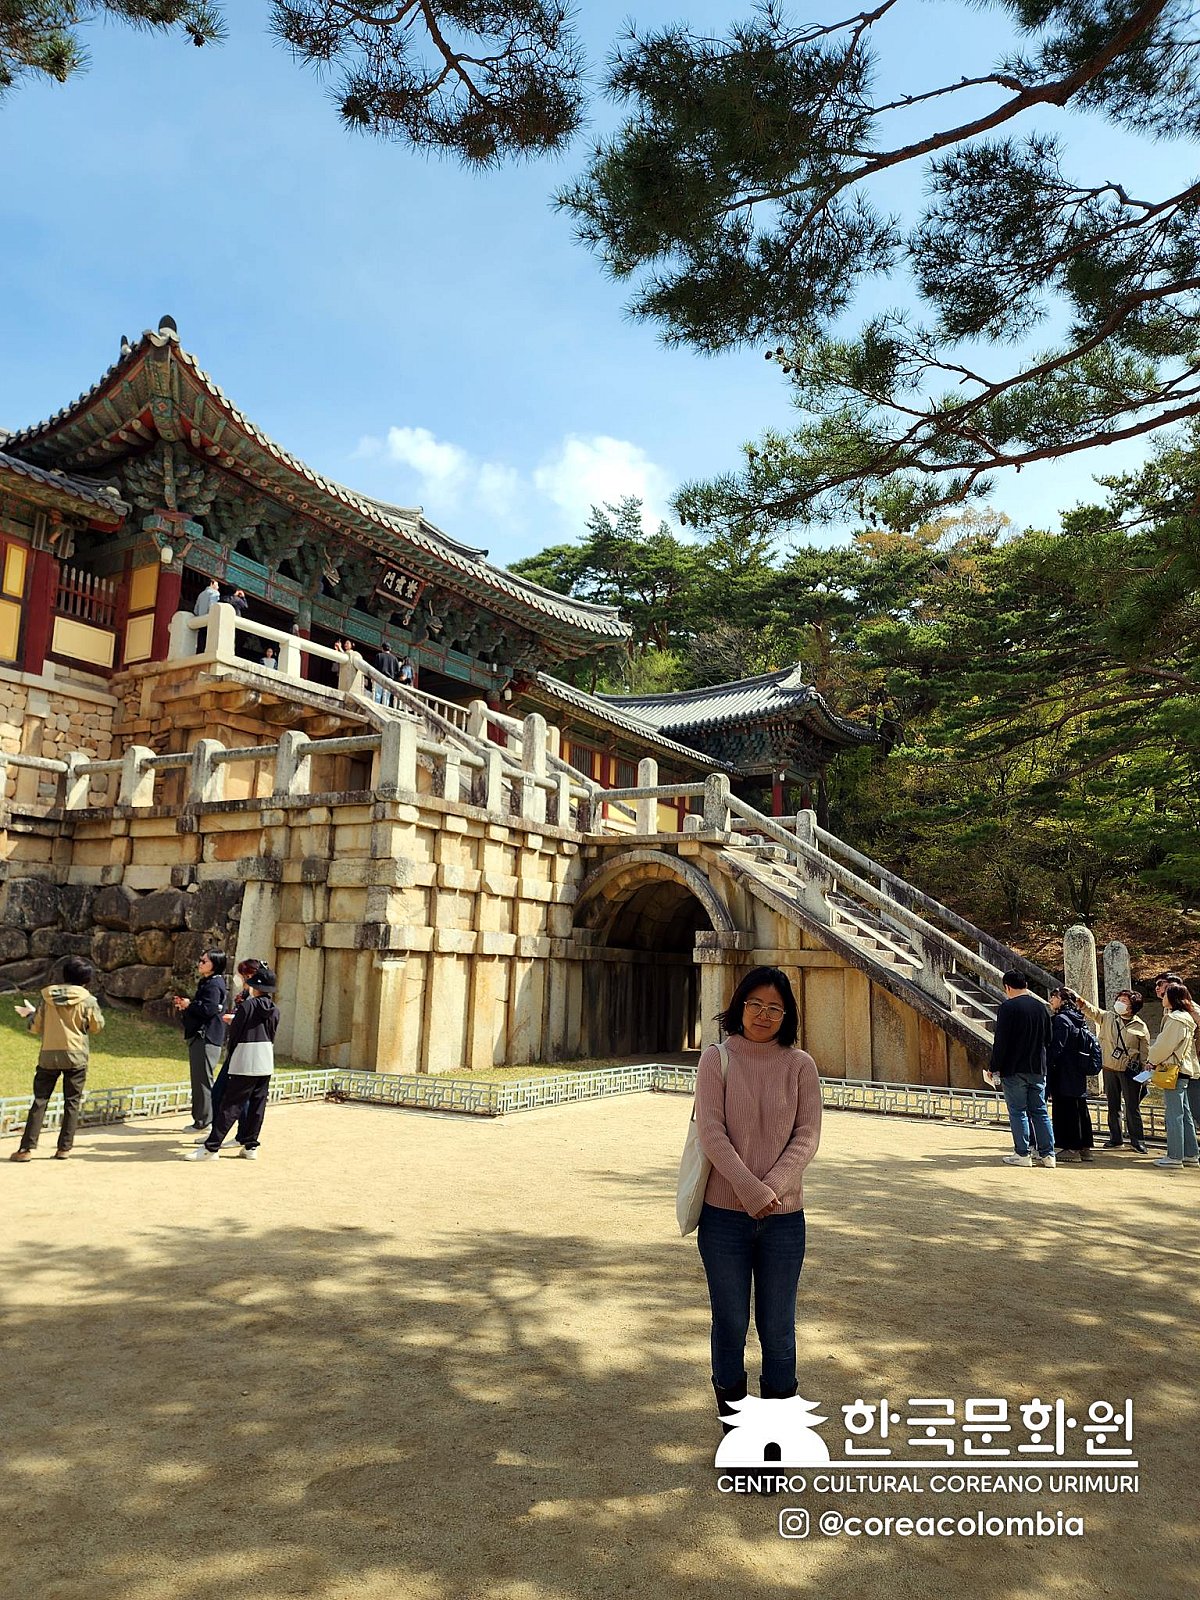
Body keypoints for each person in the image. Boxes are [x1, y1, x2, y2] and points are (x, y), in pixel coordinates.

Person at [694, 966, 822, 1428]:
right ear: (740, 1006)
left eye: (774, 1008)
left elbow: (807, 1136)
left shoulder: (800, 1065)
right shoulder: (716, 1059)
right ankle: (735, 1426)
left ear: (787, 1015)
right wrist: (751, 1191)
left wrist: (771, 1190)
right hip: (723, 1218)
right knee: (730, 1324)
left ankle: (775, 1432)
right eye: (755, 1004)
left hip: (784, 1220)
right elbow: (712, 1132)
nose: (763, 1015)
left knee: (778, 1328)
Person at [9, 957, 105, 1162]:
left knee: (40, 1101)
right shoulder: (88, 1000)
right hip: (76, 1055)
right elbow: (97, 1027)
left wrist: (30, 1014)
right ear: (86, 980)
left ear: (64, 975)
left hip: (48, 1055)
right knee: (72, 1103)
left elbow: (35, 1027)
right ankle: (64, 1149)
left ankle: (26, 1149)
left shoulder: (47, 997)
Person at [187, 965, 279, 1162]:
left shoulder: (248, 1006)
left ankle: (211, 1147)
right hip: (265, 1058)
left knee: (231, 1104)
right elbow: (272, 1033)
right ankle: (250, 1145)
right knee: (257, 1105)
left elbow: (236, 1033)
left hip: (245, 1057)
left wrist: (233, 1050)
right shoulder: (274, 1010)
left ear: (255, 987)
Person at [989, 970, 1055, 1168]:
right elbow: (1049, 1038)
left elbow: (1001, 1041)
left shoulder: (1008, 1007)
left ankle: (1022, 1153)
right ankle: (1048, 1154)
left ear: (1007, 987)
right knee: (1040, 1111)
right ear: (1025, 985)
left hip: (1014, 1067)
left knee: (1018, 1111)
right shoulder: (1041, 1007)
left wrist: (994, 1066)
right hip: (1038, 1067)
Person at [1080, 990, 1151, 1151]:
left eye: (1124, 1001)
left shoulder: (1140, 1026)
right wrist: (1080, 1001)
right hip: (1109, 1067)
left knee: (1132, 1106)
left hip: (1129, 1070)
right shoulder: (1109, 1017)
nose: (1119, 1003)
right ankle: (1115, 1138)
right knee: (1113, 1105)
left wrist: (1145, 1071)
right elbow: (1092, 1011)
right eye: (1119, 999)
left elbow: (1145, 1051)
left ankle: (1137, 1140)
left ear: (1133, 1006)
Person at [173, 950, 228, 1132]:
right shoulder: (209, 982)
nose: (200, 963)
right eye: (200, 960)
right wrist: (188, 1006)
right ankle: (204, 1119)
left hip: (206, 1037)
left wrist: (190, 1005)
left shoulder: (214, 984)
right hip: (203, 1036)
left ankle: (204, 1121)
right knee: (200, 1079)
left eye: (204, 961)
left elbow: (209, 1009)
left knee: (202, 1081)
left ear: (215, 964)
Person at [1148, 981, 1200, 1169]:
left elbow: (1164, 1045)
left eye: (1166, 994)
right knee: (1184, 1114)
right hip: (1184, 1069)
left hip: (1173, 1070)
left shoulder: (1175, 1019)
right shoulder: (1187, 1018)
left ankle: (1175, 1156)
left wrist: (1152, 1059)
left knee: (1174, 1115)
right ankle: (1190, 1153)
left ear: (1173, 998)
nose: (1162, 997)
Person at [1046, 987, 1098, 1162]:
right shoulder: (1078, 1018)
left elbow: (1057, 1048)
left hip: (1063, 1070)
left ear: (1063, 1000)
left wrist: (1047, 1062)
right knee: (1079, 1108)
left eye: (1054, 997)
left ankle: (1071, 1148)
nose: (1051, 1000)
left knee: (1065, 1109)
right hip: (1077, 1069)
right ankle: (1085, 1148)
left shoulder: (1061, 1020)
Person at [374, 640, 401, 704]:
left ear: (382, 648)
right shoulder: (394, 658)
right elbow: (397, 671)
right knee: (387, 698)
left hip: (380, 677)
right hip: (389, 679)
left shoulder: (379, 655)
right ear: (390, 649)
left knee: (377, 696)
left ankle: (376, 707)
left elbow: (375, 668)